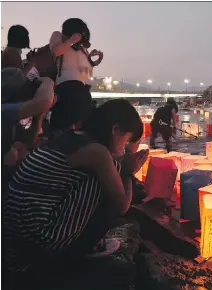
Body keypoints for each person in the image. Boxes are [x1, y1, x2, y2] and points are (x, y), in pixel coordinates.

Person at [3, 99, 147, 289]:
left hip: (16, 238)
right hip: (38, 243)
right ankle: (80, 250)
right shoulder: (97, 153)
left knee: (107, 172)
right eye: (126, 140)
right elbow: (122, 206)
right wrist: (128, 170)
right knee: (101, 180)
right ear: (115, 129)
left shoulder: (70, 139)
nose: (124, 146)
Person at [49, 18, 103, 133]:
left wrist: (96, 61)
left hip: (83, 89)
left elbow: (85, 70)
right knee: (65, 127)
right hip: (68, 87)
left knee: (82, 127)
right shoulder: (60, 36)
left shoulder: (82, 47)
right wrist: (71, 41)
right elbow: (56, 51)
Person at [1, 68, 55, 181]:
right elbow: (43, 101)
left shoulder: (10, 120)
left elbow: (28, 137)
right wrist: (47, 82)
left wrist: (39, 114)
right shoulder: (3, 111)